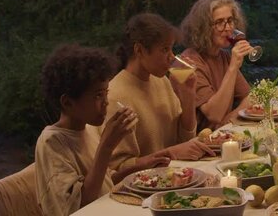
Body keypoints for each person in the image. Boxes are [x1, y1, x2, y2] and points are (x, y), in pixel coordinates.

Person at [89, 13, 214, 172]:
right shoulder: (115, 96)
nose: (172, 57)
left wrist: (188, 95)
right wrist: (170, 153)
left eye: (171, 49)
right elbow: (117, 168)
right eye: (164, 50)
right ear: (139, 50)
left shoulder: (161, 81)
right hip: (140, 189)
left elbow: (185, 141)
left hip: (174, 177)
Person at [35, 44, 139, 215]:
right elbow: (77, 207)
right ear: (68, 102)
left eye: (106, 93)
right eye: (98, 95)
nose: (106, 102)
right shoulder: (52, 142)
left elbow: (103, 180)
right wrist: (106, 146)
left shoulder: (87, 128)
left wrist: (144, 166)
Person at [178, 0, 253, 131]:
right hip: (200, 144)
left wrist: (226, 124)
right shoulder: (189, 61)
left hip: (223, 137)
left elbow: (251, 97)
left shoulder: (223, 56)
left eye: (230, 21)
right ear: (203, 28)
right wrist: (233, 67)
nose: (228, 28)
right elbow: (214, 114)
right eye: (219, 22)